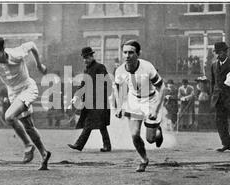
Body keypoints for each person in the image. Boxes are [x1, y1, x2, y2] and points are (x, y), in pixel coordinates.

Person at [0, 36, 51, 170]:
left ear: (3, 50)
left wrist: (39, 64)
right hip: (13, 93)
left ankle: (28, 145)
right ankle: (44, 153)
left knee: (9, 116)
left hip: (27, 88)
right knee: (29, 126)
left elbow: (32, 44)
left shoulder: (16, 53)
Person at [113, 40, 165, 172]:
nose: (127, 56)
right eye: (125, 52)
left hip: (151, 101)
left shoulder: (147, 67)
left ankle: (157, 132)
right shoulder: (120, 70)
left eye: (131, 52)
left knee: (150, 139)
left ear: (138, 54)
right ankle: (143, 159)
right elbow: (119, 89)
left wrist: (156, 109)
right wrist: (119, 107)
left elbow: (162, 87)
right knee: (134, 134)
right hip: (134, 101)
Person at [68, 47, 112, 152]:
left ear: (92, 56)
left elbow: (106, 84)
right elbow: (83, 84)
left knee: (90, 124)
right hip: (91, 102)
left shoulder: (100, 67)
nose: (85, 60)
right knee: (101, 125)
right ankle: (107, 146)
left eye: (87, 57)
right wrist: (76, 96)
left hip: (100, 102)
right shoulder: (87, 70)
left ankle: (79, 145)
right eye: (84, 58)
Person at [210, 42, 230, 153]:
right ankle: (226, 144)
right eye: (217, 53)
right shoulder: (214, 65)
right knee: (220, 122)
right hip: (218, 99)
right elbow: (213, 82)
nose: (218, 55)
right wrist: (213, 95)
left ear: (225, 52)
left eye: (220, 52)